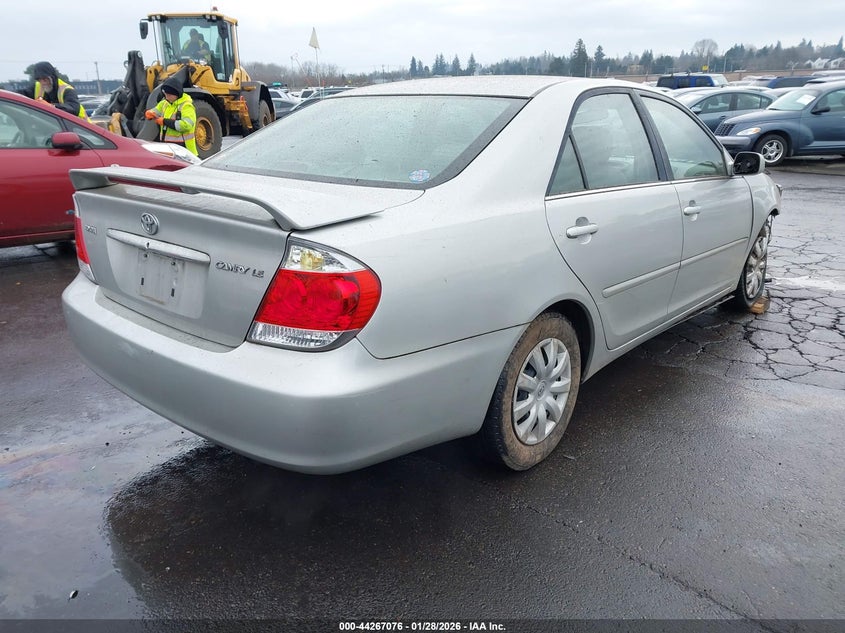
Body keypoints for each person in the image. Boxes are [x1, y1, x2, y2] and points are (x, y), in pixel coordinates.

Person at [144, 77, 198, 156]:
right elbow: (156, 110)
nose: (166, 97)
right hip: (169, 149)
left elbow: (186, 125)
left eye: (169, 95)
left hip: (185, 151)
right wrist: (149, 113)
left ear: (177, 93)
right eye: (165, 94)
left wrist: (164, 121)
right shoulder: (164, 103)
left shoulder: (187, 106)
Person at [20, 61, 88, 120]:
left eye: (45, 79)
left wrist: (51, 106)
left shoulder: (67, 90)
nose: (42, 82)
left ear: (52, 77)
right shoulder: (37, 87)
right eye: (39, 79)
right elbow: (20, 95)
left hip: (84, 130)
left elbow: (73, 109)